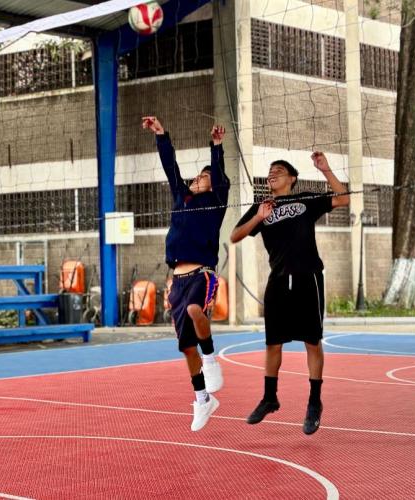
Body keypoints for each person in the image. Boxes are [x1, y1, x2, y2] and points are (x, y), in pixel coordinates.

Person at [230, 153, 349, 434]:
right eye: (270, 171)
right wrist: (258, 217)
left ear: (292, 178)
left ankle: (314, 402)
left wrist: (326, 169)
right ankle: (270, 397)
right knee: (273, 343)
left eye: (279, 170)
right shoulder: (263, 206)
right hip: (279, 280)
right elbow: (235, 236)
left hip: (308, 277)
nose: (273, 174)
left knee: (312, 341)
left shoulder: (307, 199)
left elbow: (344, 199)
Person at [143, 116, 229, 431]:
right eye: (198, 176)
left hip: (202, 273)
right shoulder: (182, 199)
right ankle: (203, 400)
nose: (200, 178)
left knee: (197, 310)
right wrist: (161, 135)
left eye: (206, 176)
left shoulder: (215, 202)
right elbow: (171, 168)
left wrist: (216, 148)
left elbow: (218, 176)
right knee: (185, 347)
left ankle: (211, 360)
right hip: (176, 278)